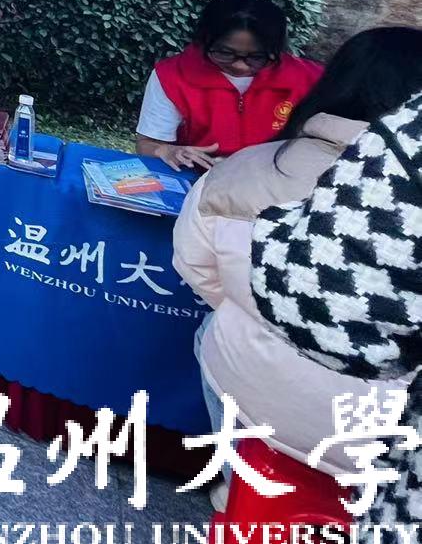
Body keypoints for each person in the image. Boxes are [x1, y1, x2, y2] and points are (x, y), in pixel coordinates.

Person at [173, 27, 422, 502]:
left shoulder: (246, 166)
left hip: (249, 383)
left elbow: (195, 266)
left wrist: (261, 320)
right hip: (379, 434)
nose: (241, 66)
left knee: (213, 330)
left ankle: (240, 483)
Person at [250, 85, 422, 544]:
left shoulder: (256, 167)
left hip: (290, 398)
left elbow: (316, 303)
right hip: (350, 427)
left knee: (215, 339)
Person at [136, 0, 323, 171]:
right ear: (203, 41)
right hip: (198, 177)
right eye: (225, 53)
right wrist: (168, 151)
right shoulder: (172, 76)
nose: (240, 66)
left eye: (256, 57)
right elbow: (148, 144)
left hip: (279, 178)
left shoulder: (311, 78)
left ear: (277, 49)